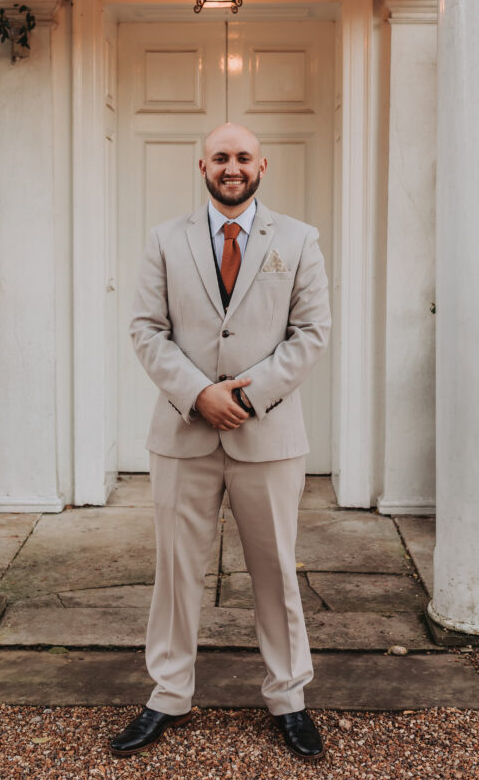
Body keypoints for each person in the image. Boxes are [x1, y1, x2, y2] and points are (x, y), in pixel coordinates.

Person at [109, 122, 332, 760]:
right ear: (200, 165)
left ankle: (289, 697)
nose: (231, 167)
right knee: (176, 572)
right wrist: (198, 393)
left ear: (263, 164)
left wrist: (245, 395)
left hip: (269, 434)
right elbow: (147, 328)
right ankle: (167, 694)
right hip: (183, 434)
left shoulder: (299, 240)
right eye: (219, 158)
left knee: (275, 571)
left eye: (241, 157)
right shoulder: (164, 239)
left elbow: (311, 333)